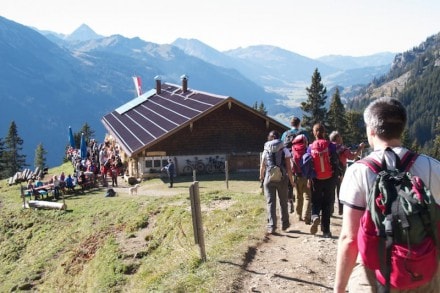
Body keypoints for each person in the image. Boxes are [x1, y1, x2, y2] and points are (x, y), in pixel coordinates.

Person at [334, 97, 440, 293]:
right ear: (402, 128)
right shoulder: (433, 167)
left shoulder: (359, 171)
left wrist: (339, 288)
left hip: (374, 275)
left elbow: (350, 238)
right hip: (424, 273)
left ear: (371, 130)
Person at [259, 130, 295, 234]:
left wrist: (261, 177)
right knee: (283, 201)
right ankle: (285, 224)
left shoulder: (266, 150)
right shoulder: (284, 150)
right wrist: (292, 181)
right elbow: (289, 168)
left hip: (269, 178)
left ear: (271, 137)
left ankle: (272, 226)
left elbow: (262, 166)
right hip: (282, 178)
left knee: (271, 202)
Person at [307, 122, 339, 238]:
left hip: (316, 178)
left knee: (315, 201)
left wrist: (309, 178)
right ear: (325, 133)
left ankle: (315, 216)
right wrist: (336, 176)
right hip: (329, 178)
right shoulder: (331, 145)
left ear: (314, 133)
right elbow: (335, 162)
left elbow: (308, 164)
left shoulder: (310, 147)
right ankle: (326, 231)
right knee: (327, 204)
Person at [329, 131, 365, 215]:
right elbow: (352, 157)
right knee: (340, 190)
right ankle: (340, 210)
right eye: (340, 137)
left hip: (330, 172)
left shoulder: (329, 147)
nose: (341, 138)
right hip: (340, 171)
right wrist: (360, 148)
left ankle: (330, 210)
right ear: (337, 138)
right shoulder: (342, 148)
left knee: (330, 191)